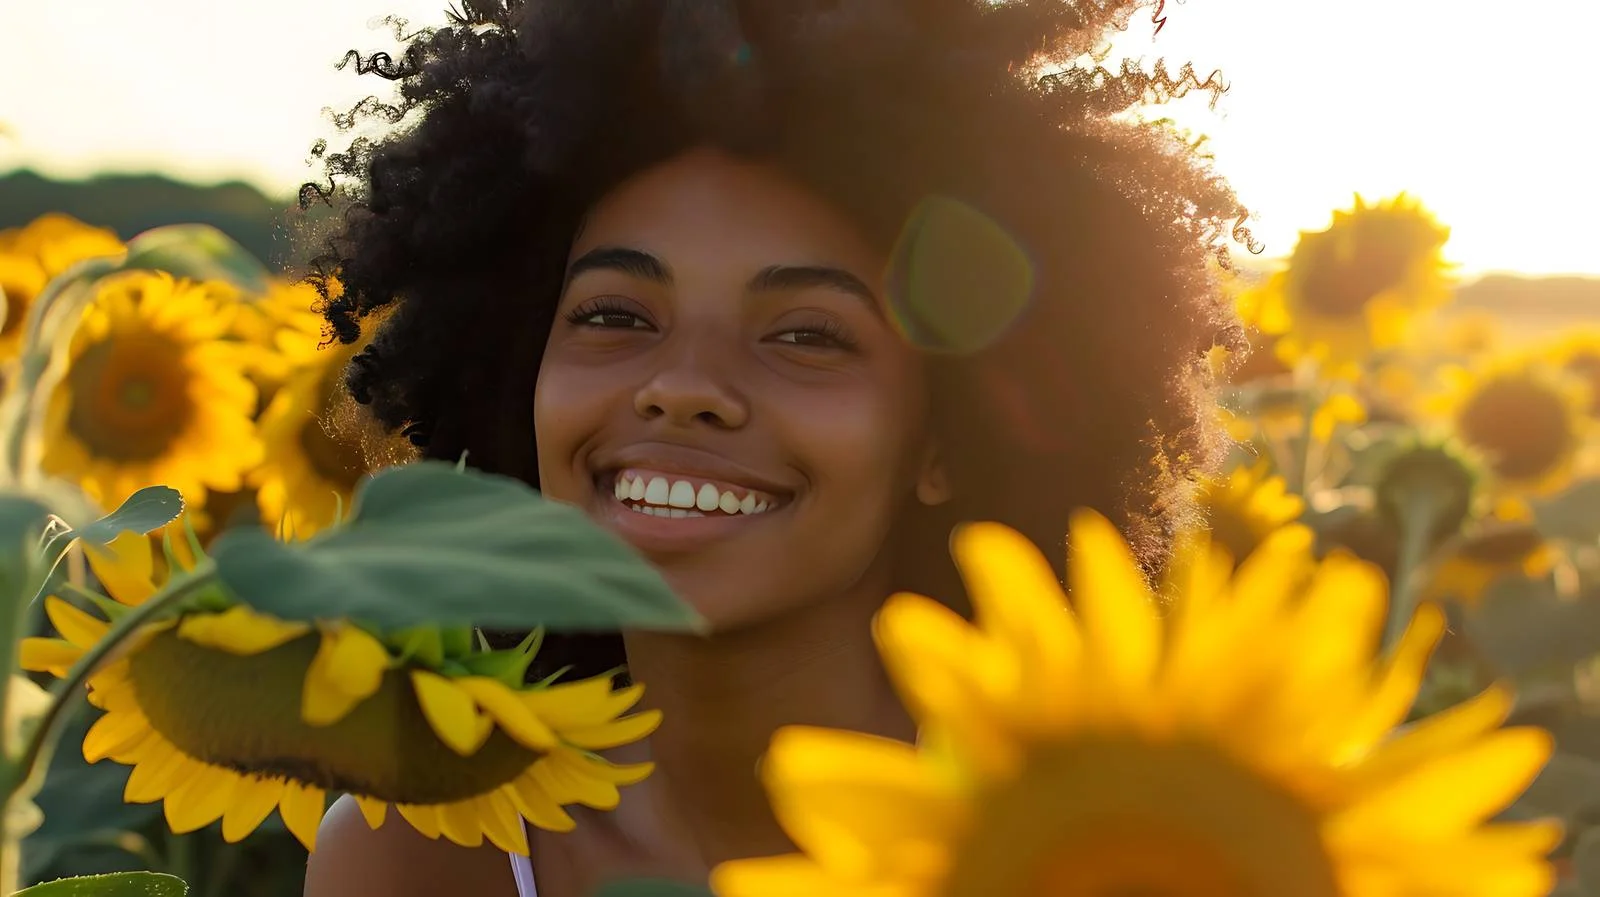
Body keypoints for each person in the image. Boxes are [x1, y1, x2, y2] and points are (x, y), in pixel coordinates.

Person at [299, 1, 1251, 894]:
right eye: (617, 314)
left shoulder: (1093, 854)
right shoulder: (420, 856)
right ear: (520, 377)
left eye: (807, 334)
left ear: (943, 440)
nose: (682, 386)